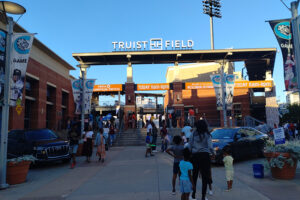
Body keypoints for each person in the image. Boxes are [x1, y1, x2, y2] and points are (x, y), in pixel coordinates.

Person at [188, 120, 215, 200]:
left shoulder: (193, 134)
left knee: (194, 176)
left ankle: (193, 195)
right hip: (205, 156)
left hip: (195, 156)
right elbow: (210, 146)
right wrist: (213, 153)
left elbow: (190, 145)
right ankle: (203, 196)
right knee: (205, 177)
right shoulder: (207, 135)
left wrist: (190, 154)